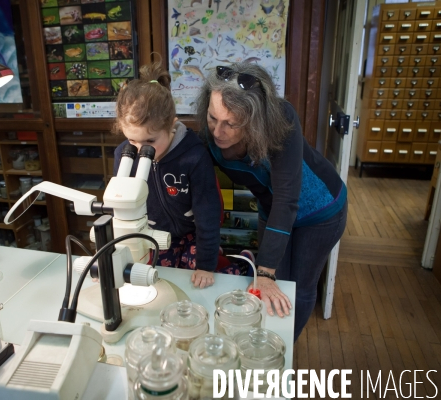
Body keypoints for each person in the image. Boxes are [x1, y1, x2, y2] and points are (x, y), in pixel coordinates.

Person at [195, 62, 348, 341]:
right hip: (272, 208)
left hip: (321, 212)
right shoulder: (210, 134)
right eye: (212, 118)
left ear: (254, 120)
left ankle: (285, 348)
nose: (218, 132)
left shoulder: (281, 119)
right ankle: (267, 339)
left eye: (230, 123)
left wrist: (265, 272)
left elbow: (288, 198)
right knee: (273, 286)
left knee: (297, 288)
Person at [112, 61, 242, 288]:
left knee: (202, 279)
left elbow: (208, 216)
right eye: (132, 140)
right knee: (160, 281)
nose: (141, 150)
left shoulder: (193, 156)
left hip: (193, 234)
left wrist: (205, 265)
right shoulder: (124, 155)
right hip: (153, 234)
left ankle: (239, 262)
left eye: (150, 142)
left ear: (171, 126)